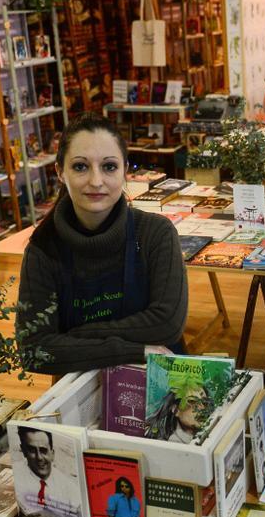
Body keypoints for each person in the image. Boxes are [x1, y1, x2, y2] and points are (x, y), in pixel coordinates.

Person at [17, 113, 188, 374]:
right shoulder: (42, 250)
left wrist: (74, 337)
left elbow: (167, 324)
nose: (96, 181)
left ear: (124, 170)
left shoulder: (156, 233)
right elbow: (33, 352)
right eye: (80, 167)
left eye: (109, 167)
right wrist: (129, 349)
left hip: (158, 381)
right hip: (79, 390)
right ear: (60, 172)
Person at [13, 426, 86, 517]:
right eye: (32, 450)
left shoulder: (69, 486)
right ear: (23, 451)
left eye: (43, 451)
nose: (39, 458)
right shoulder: (16, 473)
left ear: (52, 453)